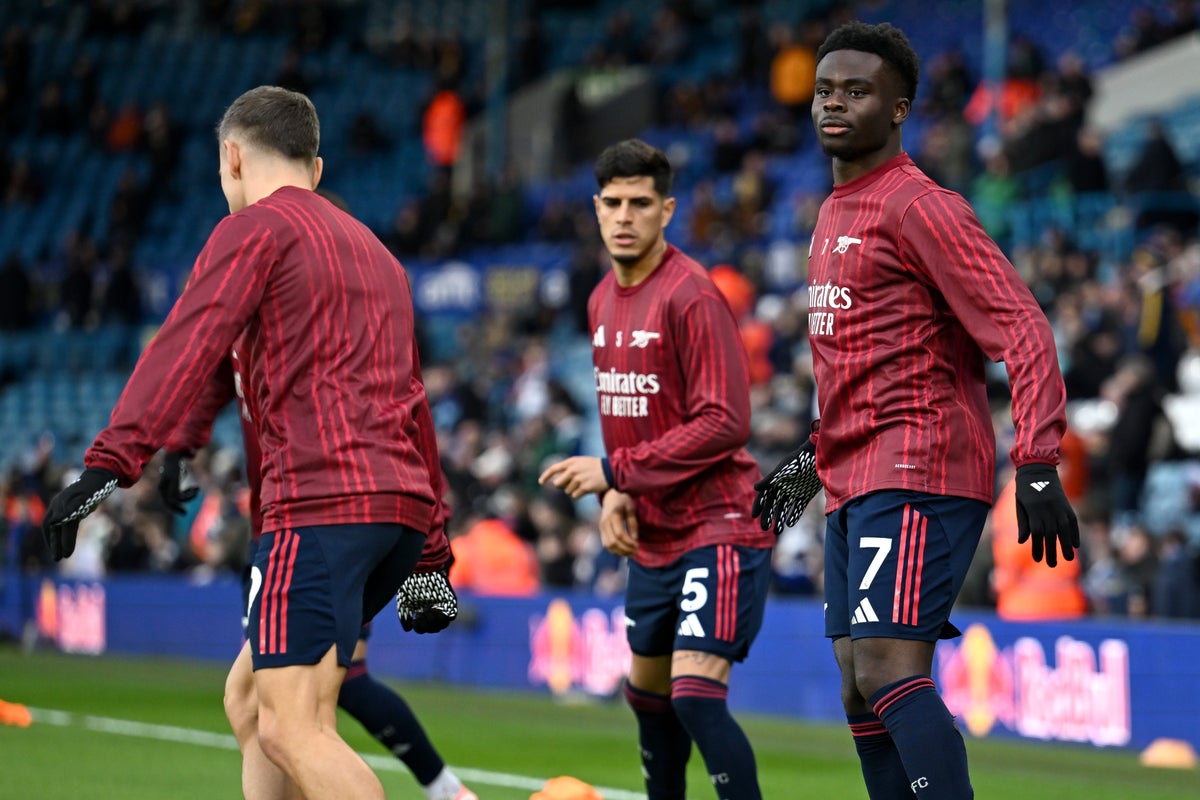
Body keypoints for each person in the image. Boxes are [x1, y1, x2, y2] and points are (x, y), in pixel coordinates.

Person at [41, 85, 457, 800]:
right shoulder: (381, 258)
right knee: (254, 703)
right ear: (316, 168)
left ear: (231, 157)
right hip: (395, 513)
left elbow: (187, 344)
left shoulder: (254, 231)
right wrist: (430, 554)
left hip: (320, 506)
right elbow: (411, 401)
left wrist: (111, 462)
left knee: (294, 730)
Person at [753, 22, 1079, 800]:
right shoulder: (834, 212)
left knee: (887, 667)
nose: (834, 104)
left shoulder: (920, 207)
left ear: (898, 108)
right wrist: (803, 472)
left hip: (920, 465)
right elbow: (854, 368)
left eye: (857, 91)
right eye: (826, 90)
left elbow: (1023, 325)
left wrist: (1036, 462)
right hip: (856, 474)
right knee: (856, 686)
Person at [539, 139, 775, 800]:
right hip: (653, 531)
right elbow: (628, 415)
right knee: (647, 700)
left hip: (719, 522)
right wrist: (619, 497)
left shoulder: (692, 295)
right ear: (595, 208)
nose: (624, 215)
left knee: (695, 696)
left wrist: (616, 472)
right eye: (611, 203)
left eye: (639, 203)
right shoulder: (598, 302)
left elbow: (726, 421)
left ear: (666, 210)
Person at [159, 355, 474, 800]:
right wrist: (180, 445)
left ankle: (447, 791)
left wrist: (432, 550)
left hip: (325, 525)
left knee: (298, 716)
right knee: (257, 703)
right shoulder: (244, 319)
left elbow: (409, 400)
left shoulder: (314, 308)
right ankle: (448, 791)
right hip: (276, 529)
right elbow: (213, 377)